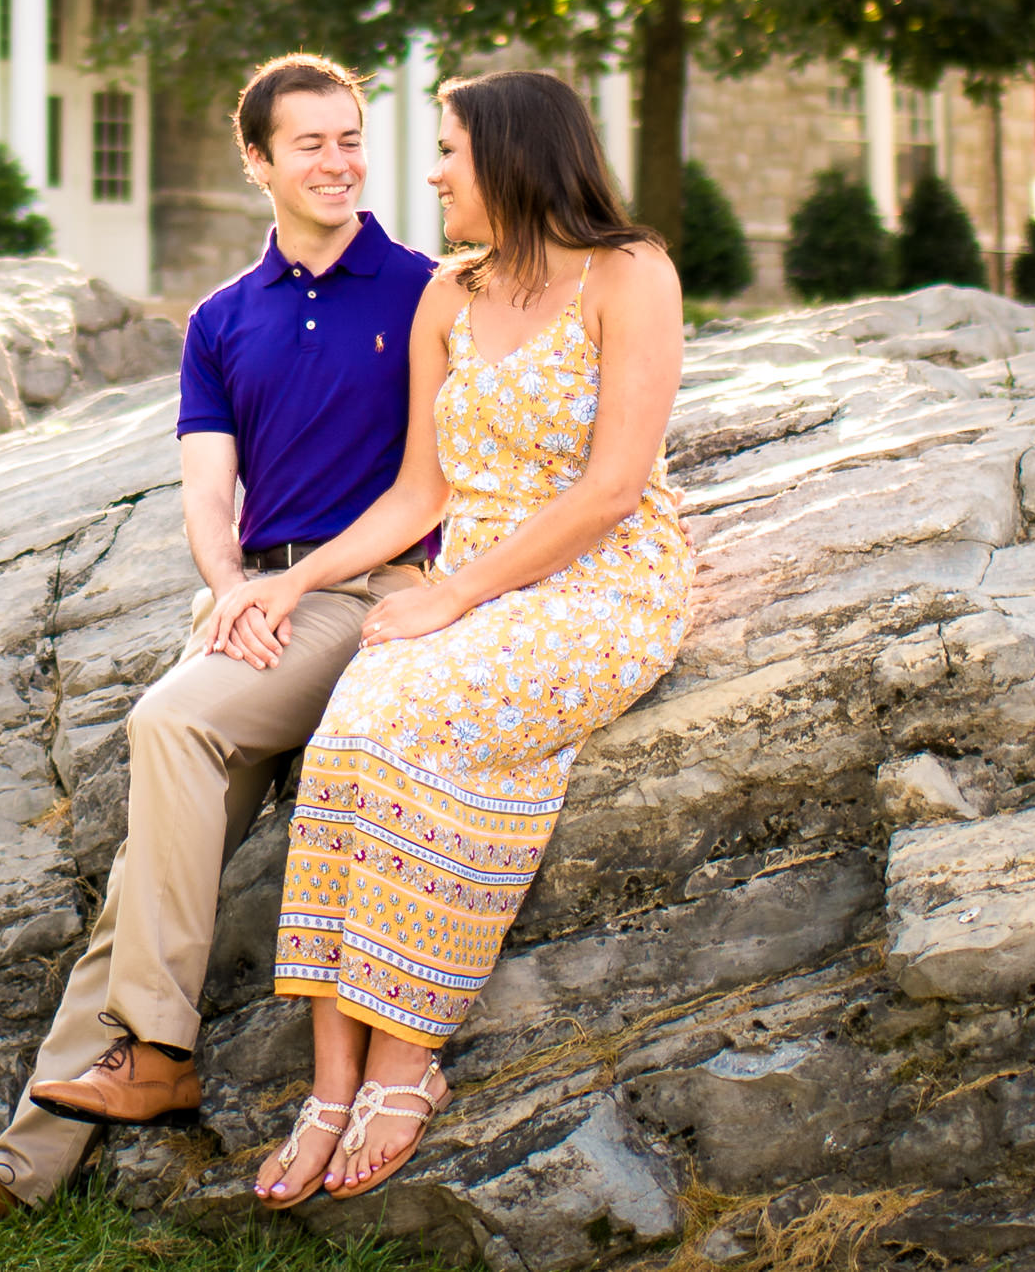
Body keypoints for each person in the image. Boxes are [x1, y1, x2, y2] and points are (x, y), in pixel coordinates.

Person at [0, 52, 444, 1237]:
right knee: (138, 896)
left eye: (351, 139)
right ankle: (23, 1172)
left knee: (170, 716)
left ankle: (163, 1045)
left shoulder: (423, 289)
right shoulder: (220, 320)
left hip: (365, 599)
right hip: (262, 607)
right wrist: (232, 586)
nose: (339, 163)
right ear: (258, 162)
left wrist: (291, 595)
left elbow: (428, 487)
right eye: (311, 145)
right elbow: (206, 489)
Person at [224, 67, 693, 1207]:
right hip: (473, 583)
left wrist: (455, 594)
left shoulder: (629, 274)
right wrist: (293, 584)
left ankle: (405, 1063)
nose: (427, 174)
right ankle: (331, 1087)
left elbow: (613, 487)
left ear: (514, 156)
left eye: (447, 152)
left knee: (411, 728)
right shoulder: (449, 293)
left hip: (599, 584)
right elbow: (414, 495)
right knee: (344, 742)